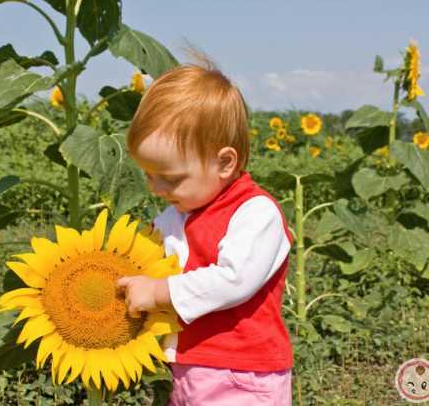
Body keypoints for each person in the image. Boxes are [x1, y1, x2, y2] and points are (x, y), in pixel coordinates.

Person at [116, 54, 295, 405]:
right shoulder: (179, 214)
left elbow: (234, 279)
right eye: (149, 176)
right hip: (189, 368)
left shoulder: (256, 213)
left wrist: (157, 292)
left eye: (169, 178)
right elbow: (146, 252)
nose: (156, 189)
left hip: (243, 373)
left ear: (224, 163)